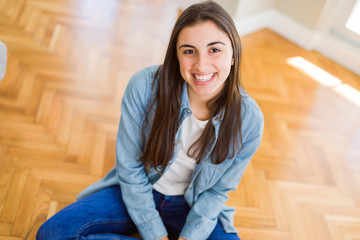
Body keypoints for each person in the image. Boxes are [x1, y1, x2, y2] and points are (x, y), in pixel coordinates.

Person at [36, 1, 264, 240]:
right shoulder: (144, 87)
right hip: (137, 191)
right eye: (189, 51)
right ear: (176, 55)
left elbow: (217, 191)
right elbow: (130, 169)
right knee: (54, 233)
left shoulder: (250, 120)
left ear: (233, 55)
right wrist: (155, 234)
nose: (201, 64)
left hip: (194, 206)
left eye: (214, 50)